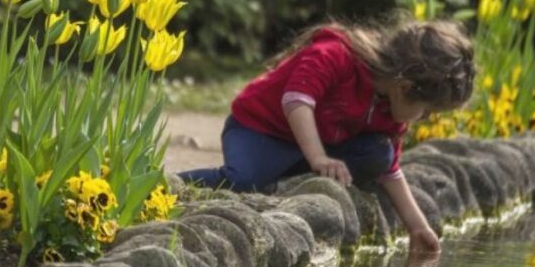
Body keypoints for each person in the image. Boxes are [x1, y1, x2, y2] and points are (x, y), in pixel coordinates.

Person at [178, 19, 475, 252]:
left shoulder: (390, 108)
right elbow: (296, 100)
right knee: (242, 180)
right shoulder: (338, 55)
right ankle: (170, 185)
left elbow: (391, 170)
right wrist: (319, 157)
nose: (423, 119)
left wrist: (418, 228)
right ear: (405, 87)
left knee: (379, 155)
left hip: (314, 148)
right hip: (260, 130)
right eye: (426, 111)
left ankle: (283, 183)